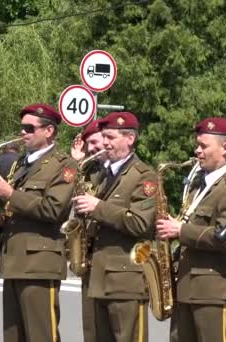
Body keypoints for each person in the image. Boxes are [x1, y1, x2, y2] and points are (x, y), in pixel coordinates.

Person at [156, 117, 226, 342]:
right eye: (197, 145)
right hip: (186, 286)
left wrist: (180, 231)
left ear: (225, 148)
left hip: (213, 290)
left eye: (204, 146)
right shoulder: (200, 182)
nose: (197, 151)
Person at [0, 103, 76, 342]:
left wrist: (10, 194)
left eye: (30, 128)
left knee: (41, 335)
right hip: (14, 261)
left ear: (49, 131)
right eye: (22, 127)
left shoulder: (64, 165)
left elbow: (53, 209)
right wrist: (2, 219)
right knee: (13, 336)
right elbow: (22, 208)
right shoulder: (21, 163)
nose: (23, 133)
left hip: (40, 263)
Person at [73, 112, 157, 342]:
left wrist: (98, 207)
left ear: (129, 139)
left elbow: (140, 223)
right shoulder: (103, 174)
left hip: (126, 279)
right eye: (104, 137)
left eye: (110, 137)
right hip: (98, 276)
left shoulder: (144, 176)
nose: (105, 142)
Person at [70, 119, 107, 342]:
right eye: (88, 144)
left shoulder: (123, 173)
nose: (91, 148)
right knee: (91, 331)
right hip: (89, 261)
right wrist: (77, 164)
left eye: (94, 142)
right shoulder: (90, 172)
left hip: (114, 263)